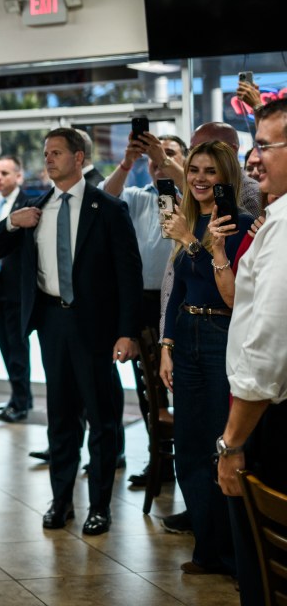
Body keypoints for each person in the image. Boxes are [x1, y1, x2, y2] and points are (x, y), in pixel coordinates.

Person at [0, 127, 142, 536]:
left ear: (79, 157)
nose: (48, 159)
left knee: (102, 418)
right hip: (51, 322)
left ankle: (101, 506)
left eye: (56, 153)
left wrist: (128, 332)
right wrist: (11, 224)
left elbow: (129, 276)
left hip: (94, 325)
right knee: (60, 419)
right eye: (45, 153)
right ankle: (60, 501)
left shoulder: (107, 209)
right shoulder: (35, 209)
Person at [157, 140, 252, 575]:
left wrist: (191, 242)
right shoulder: (189, 222)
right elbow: (179, 290)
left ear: (226, 176)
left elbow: (230, 295)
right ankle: (207, 549)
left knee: (221, 447)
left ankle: (236, 556)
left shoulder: (240, 225)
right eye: (193, 169)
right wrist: (166, 347)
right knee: (188, 448)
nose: (198, 178)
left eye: (209, 171)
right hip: (189, 336)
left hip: (221, 336)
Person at [217, 98, 287, 606]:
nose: (254, 158)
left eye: (264, 146)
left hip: (273, 420)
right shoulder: (273, 217)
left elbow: (268, 346)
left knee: (264, 573)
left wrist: (233, 444)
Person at [102, 131, 187, 486]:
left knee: (183, 383)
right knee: (148, 387)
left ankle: (191, 462)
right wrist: (128, 161)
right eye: (152, 155)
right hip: (143, 301)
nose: (157, 159)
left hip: (181, 301)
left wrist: (166, 165)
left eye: (168, 153)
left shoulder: (193, 198)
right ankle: (161, 463)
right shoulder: (137, 197)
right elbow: (105, 196)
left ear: (182, 160)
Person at [0, 155, 32, 422]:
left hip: (17, 288)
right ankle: (16, 396)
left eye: (5, 173)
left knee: (17, 347)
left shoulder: (27, 204)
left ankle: (22, 402)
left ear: (18, 176)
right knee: (4, 345)